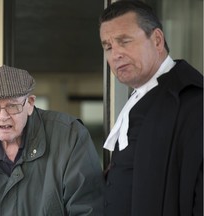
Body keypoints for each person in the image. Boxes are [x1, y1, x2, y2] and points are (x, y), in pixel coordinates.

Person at [0, 65, 104, 215]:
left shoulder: (69, 136)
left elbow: (88, 210)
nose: (3, 116)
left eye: (12, 106)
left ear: (30, 103)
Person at [99, 1, 203, 216]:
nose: (115, 54)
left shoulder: (194, 102)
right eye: (108, 47)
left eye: (124, 41)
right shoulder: (139, 97)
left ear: (157, 40)